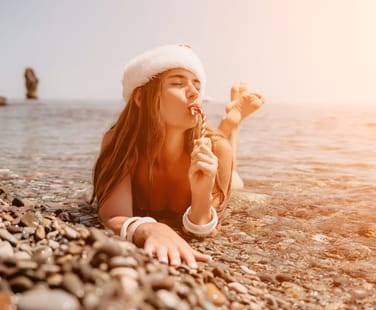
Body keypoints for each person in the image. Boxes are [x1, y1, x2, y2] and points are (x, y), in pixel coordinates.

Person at [91, 44, 264, 268]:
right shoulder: (120, 143)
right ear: (141, 97)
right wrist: (152, 228)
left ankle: (232, 123)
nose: (194, 92)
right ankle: (230, 122)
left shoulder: (216, 149)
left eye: (197, 84)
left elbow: (205, 229)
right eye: (177, 83)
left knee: (234, 179)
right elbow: (112, 216)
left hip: (219, 151)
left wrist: (202, 195)